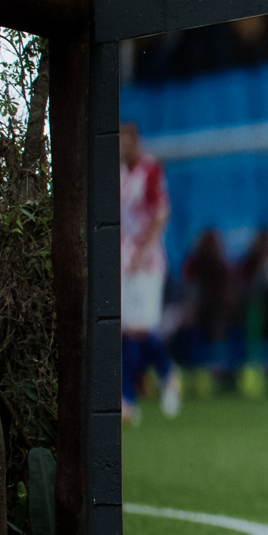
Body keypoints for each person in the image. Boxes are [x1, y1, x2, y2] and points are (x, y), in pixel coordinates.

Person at [120, 121, 181, 424]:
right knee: (128, 329)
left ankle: (134, 396)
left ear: (137, 141)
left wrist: (144, 251)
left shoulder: (150, 169)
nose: (122, 146)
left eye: (126, 140)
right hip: (123, 259)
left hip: (147, 261)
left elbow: (161, 213)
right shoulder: (116, 174)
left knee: (139, 330)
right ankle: (162, 377)